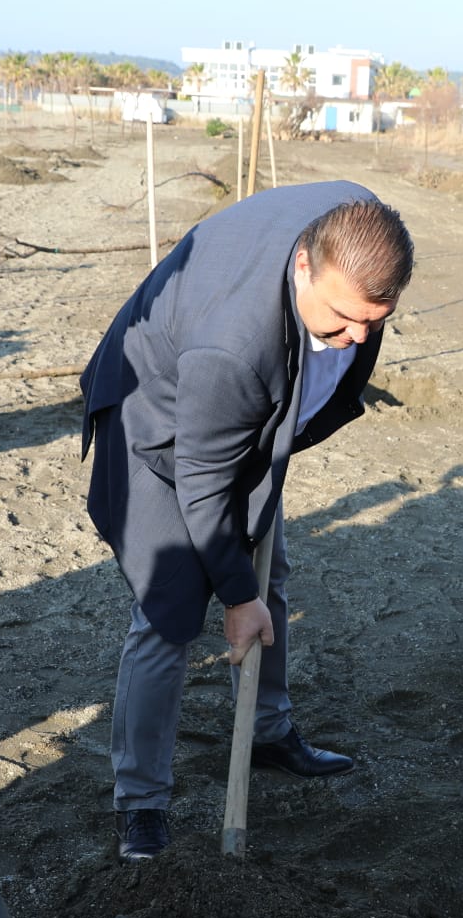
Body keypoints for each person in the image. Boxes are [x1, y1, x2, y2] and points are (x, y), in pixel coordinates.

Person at [80, 182, 415, 862]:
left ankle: (267, 729)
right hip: (158, 423)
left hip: (243, 414)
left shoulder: (358, 225)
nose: (355, 340)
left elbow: (275, 416)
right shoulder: (233, 349)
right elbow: (203, 483)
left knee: (272, 576)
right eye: (343, 320)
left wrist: (249, 586)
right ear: (303, 266)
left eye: (372, 324)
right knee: (168, 614)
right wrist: (233, 597)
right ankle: (140, 801)